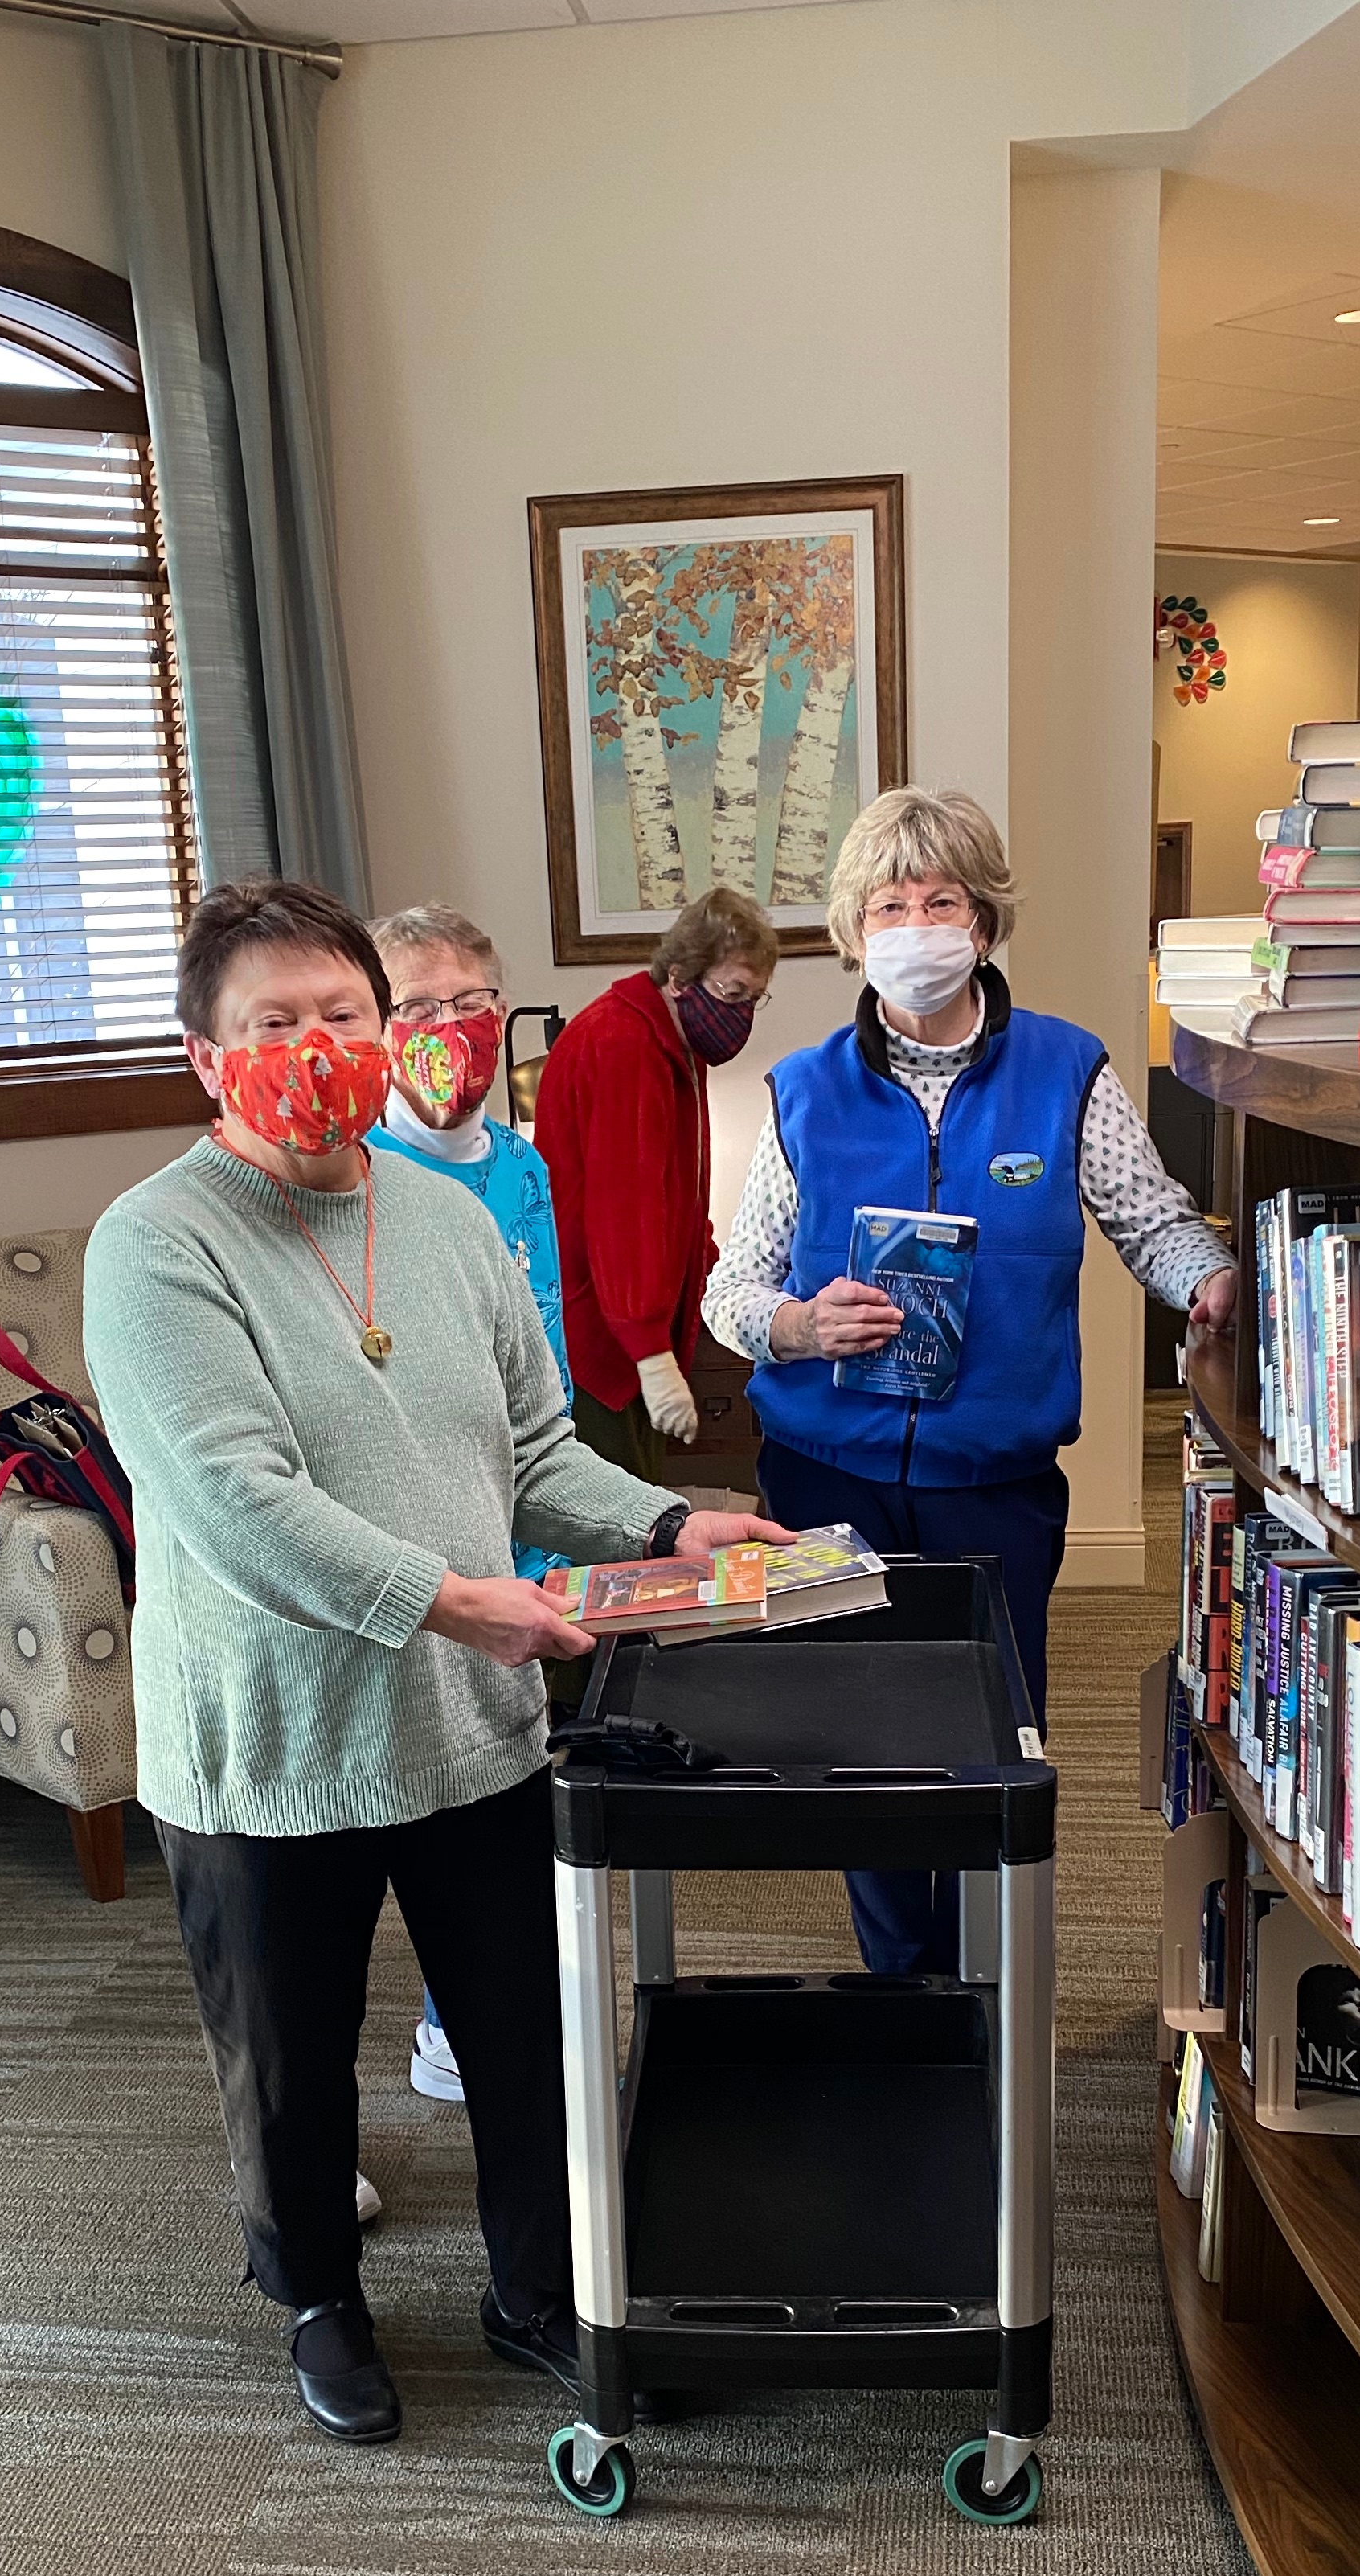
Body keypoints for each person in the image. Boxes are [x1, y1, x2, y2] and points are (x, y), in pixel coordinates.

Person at [83, 876, 783, 2448]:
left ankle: (538, 2290)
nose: (319, 1048)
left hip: (469, 1729)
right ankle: (321, 2302)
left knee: (525, 2032)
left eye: (345, 1016)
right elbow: (240, 1505)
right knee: (294, 2063)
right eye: (277, 1024)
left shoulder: (456, 1219)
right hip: (269, 1744)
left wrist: (673, 1524)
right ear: (208, 1058)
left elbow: (535, 1451)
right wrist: (473, 1604)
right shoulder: (155, 1248)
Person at [703, 785, 1238, 1976]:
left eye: (941, 899)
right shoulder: (804, 1091)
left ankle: (989, 1990)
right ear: (853, 933)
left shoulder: (1066, 1073)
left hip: (993, 1488)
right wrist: (793, 1323)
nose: (916, 922)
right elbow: (727, 1291)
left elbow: (1151, 1221)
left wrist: (1208, 1276)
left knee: (992, 1750)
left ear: (984, 924)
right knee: (858, 1747)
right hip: (824, 1473)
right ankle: (904, 1987)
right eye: (888, 903)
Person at [366, 900, 570, 2110]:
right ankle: (440, 2016)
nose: (453, 1028)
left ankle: (473, 2018)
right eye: (418, 1007)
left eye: (473, 1001)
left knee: (507, 1780)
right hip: (411, 1533)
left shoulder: (523, 1164)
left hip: (520, 1511)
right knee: (409, 1800)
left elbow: (535, 1351)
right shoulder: (361, 1174)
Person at [534, 884, 777, 1483]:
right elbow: (627, 1213)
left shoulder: (675, 1042)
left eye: (754, 998)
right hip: (599, 1341)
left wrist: (715, 1273)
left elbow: (681, 1194)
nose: (741, 1013)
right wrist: (648, 1348)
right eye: (732, 992)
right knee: (617, 1534)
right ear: (678, 977)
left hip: (626, 1334)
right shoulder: (623, 1044)